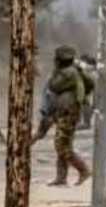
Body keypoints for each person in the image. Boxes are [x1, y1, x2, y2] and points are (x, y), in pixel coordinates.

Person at [37, 46, 92, 186]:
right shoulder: (73, 71)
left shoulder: (68, 73)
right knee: (64, 144)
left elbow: (54, 86)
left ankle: (83, 170)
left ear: (59, 60)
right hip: (66, 112)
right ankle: (61, 177)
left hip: (68, 113)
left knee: (61, 146)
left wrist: (55, 71)